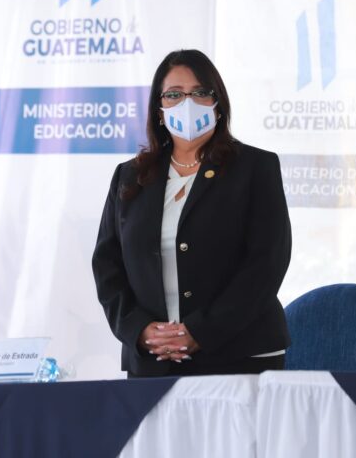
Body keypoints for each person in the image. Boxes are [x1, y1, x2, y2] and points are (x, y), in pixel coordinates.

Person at [92, 49, 292, 377]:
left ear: (218, 104)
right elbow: (107, 264)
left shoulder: (255, 167)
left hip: (239, 354)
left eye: (200, 92)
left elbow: (266, 263)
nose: (187, 103)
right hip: (153, 360)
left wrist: (202, 331)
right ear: (158, 111)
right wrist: (139, 329)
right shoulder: (130, 177)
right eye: (173, 94)